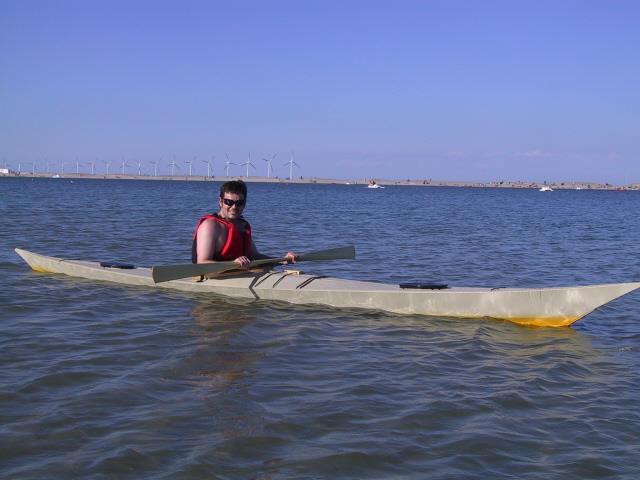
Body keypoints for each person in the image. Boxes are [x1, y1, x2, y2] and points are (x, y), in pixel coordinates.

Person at [192, 180, 297, 268]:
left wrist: (282, 260)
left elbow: (254, 256)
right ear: (220, 201)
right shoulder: (210, 226)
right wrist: (233, 264)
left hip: (238, 274)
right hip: (211, 277)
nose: (234, 207)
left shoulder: (242, 226)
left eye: (239, 203)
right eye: (228, 202)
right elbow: (202, 263)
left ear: (244, 204)